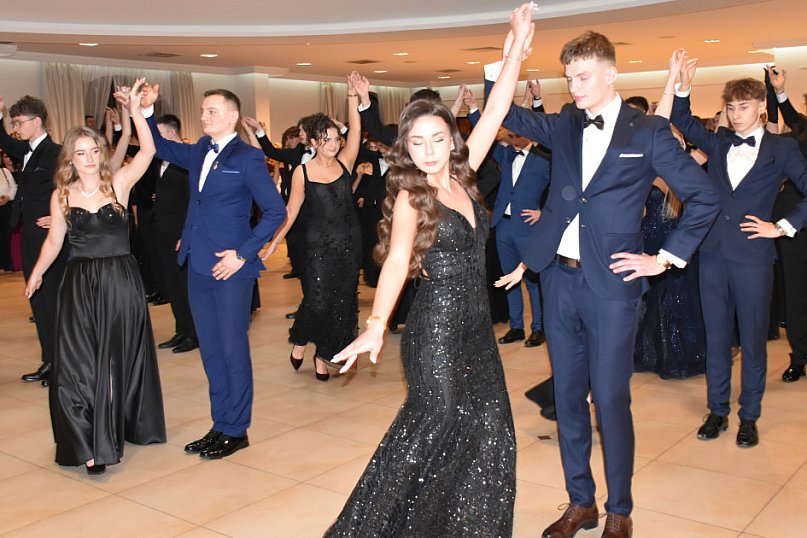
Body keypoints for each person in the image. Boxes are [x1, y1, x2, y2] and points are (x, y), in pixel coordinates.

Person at [493, 32, 719, 538]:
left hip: (614, 287)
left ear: (611, 74)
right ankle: (581, 503)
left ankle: (620, 509)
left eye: (583, 77)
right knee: (568, 398)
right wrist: (509, 56)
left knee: (611, 400)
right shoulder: (564, 123)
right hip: (558, 279)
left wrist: (663, 259)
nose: (573, 87)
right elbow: (503, 110)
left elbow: (703, 197)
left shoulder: (649, 131)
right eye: (568, 77)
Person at [324, 5, 536, 535]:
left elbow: (497, 109)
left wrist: (514, 49)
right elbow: (398, 260)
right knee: (427, 432)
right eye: (416, 143)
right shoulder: (411, 196)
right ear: (406, 147)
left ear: (452, 138)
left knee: (489, 431)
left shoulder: (463, 176)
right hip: (435, 335)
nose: (428, 151)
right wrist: (376, 324)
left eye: (437, 139)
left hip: (477, 331)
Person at [24, 80, 166, 475]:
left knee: (113, 361)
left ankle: (105, 437)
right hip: (79, 284)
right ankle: (85, 438)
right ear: (70, 158)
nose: (88, 158)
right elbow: (55, 241)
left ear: (101, 153)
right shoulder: (61, 194)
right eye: (80, 153)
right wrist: (37, 273)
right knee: (80, 363)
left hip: (120, 281)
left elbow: (148, 150)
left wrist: (135, 111)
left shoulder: (118, 183)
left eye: (93, 151)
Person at [139, 84, 286, 460]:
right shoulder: (201, 148)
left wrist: (243, 254)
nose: (204, 116)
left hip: (230, 269)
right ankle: (221, 423)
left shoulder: (249, 157)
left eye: (212, 111)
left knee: (233, 350)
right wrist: (147, 113)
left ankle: (237, 430)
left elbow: (276, 212)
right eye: (203, 110)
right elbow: (160, 147)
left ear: (233, 117)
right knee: (211, 351)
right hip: (199, 263)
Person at [669, 53, 807, 448]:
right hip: (712, 255)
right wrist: (683, 87)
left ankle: (749, 416)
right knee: (716, 339)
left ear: (761, 106)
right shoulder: (719, 141)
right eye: (731, 108)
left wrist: (780, 226)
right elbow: (682, 120)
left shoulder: (781, 149)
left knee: (752, 341)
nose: (736, 115)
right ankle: (717, 411)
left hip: (754, 258)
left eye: (744, 107)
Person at [265, 101, 362, 381]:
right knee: (318, 301)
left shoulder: (346, 162)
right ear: (314, 141)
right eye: (326, 139)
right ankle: (300, 340)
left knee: (342, 303)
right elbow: (291, 211)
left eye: (336, 139)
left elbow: (356, 130)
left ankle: (322, 356)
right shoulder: (302, 172)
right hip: (318, 247)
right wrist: (275, 241)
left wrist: (353, 97)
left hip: (349, 245)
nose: (333, 144)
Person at [0, 94, 66, 387]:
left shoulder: (56, 152)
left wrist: (62, 214)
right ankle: (49, 360)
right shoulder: (25, 149)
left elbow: (74, 186)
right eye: (13, 122)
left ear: (36, 121)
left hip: (50, 238)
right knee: (37, 302)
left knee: (53, 302)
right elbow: (3, 139)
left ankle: (62, 365)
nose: (15, 128)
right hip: (29, 235)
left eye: (19, 122)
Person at [767, 66, 807, 382]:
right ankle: (799, 356)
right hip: (796, 223)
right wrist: (779, 91)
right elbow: (792, 117)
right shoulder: (801, 130)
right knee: (796, 293)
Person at [152, 114, 197, 354]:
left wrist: (186, 234)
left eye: (158, 134)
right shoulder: (162, 161)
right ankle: (182, 329)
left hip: (181, 233)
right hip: (163, 232)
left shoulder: (187, 161)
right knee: (172, 283)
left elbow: (193, 201)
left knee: (185, 284)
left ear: (171, 133)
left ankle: (194, 333)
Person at [0, 149, 18, 273]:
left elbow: (13, 187)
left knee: (5, 236)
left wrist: (7, 197)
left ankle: (5, 264)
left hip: (5, 207)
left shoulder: (4, 171)